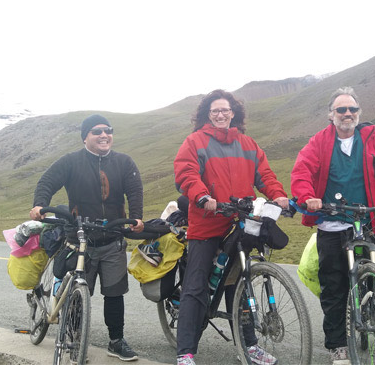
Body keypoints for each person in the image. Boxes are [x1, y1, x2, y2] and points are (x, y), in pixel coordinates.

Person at [290, 86, 375, 364]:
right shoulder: (319, 142)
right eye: (341, 109)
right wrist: (307, 197)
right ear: (331, 114)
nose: (347, 114)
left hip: (372, 222)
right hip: (332, 223)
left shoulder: (374, 138)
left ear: (359, 113)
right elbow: (302, 171)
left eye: (352, 109)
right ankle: (338, 346)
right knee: (334, 288)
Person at [173, 89, 289, 365]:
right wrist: (203, 198)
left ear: (233, 113)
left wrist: (279, 195)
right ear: (207, 115)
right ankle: (186, 352)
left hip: (240, 223)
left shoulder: (248, 144)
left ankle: (249, 346)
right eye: (215, 111)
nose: (221, 114)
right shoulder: (195, 142)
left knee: (239, 284)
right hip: (207, 223)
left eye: (225, 110)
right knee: (196, 286)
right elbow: (186, 173)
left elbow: (265, 176)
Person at [29, 114, 145, 362]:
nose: (104, 135)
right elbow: (48, 181)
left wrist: (136, 217)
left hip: (113, 238)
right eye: (97, 131)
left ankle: (116, 341)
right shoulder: (71, 161)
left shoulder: (124, 163)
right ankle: (73, 339)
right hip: (79, 237)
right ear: (85, 137)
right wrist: (40, 205)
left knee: (115, 294)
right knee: (78, 295)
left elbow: (134, 191)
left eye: (108, 130)